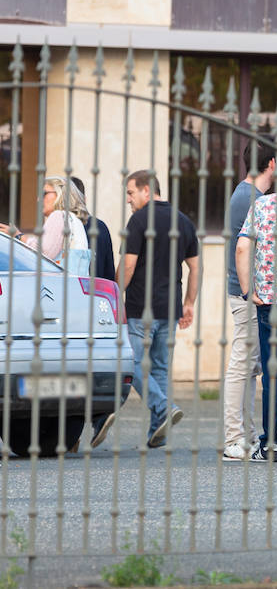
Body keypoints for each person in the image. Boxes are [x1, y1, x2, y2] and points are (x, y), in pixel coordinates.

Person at [119, 170, 199, 448]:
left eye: (130, 193)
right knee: (161, 369)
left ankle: (164, 407)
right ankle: (159, 428)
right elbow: (195, 267)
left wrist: (115, 296)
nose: (128, 199)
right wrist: (189, 303)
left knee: (132, 365)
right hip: (170, 308)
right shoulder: (184, 221)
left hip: (142, 308)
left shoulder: (139, 221)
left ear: (146, 190)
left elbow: (128, 265)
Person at [236, 160, 277, 462]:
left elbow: (243, 247)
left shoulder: (264, 205)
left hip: (272, 298)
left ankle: (270, 441)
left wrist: (249, 290)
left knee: (276, 371)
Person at [221, 144, 274, 461]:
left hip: (252, 292)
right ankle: (234, 437)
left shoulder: (249, 195)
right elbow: (245, 250)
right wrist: (249, 290)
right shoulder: (248, 197)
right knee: (243, 363)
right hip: (247, 293)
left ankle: (247, 435)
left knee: (251, 364)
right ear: (271, 162)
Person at [1, 175, 91, 268]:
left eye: (44, 193)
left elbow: (44, 253)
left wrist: (19, 236)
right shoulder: (74, 220)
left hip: (56, 281)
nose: (38, 199)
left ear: (60, 193)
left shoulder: (58, 216)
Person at [70, 177, 116, 283]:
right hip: (97, 292)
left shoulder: (64, 225)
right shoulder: (101, 226)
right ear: (84, 199)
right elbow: (109, 271)